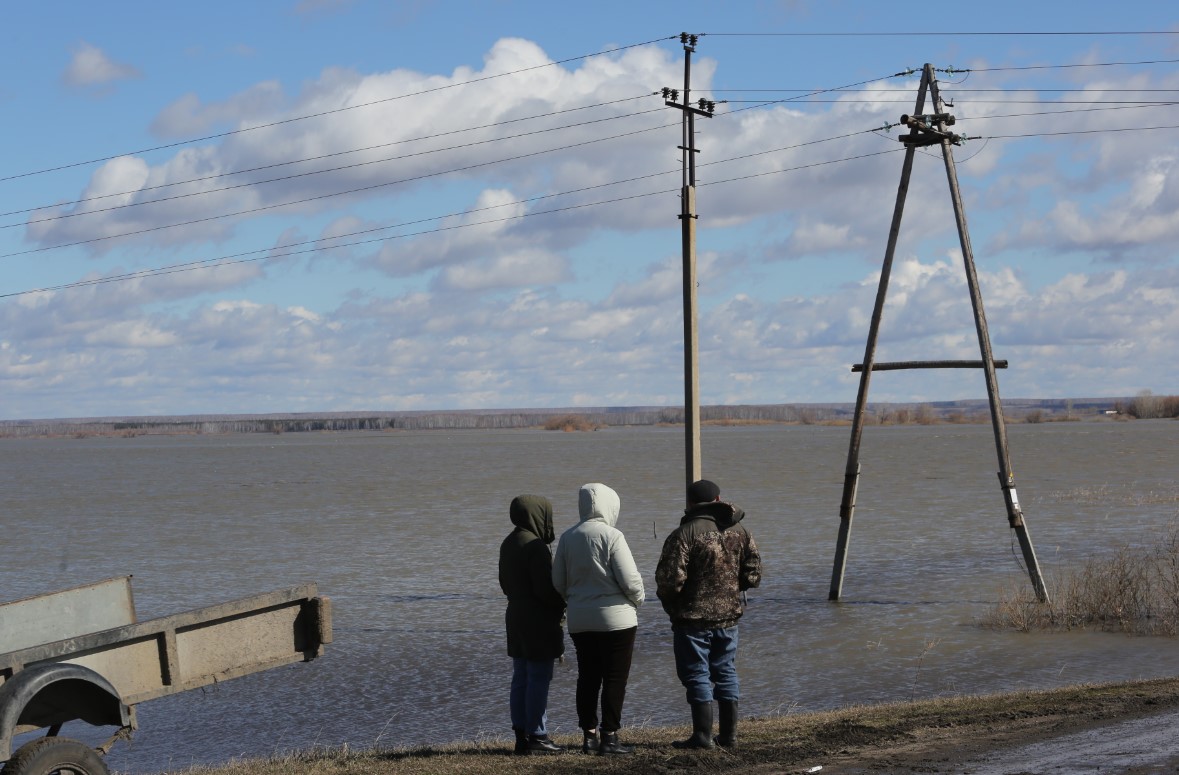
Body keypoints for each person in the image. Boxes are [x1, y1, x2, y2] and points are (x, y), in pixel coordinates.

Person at [655, 479, 762, 750]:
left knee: (696, 674)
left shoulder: (684, 534)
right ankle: (728, 737)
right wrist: (732, 587)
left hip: (692, 619)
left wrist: (673, 606)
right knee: (726, 671)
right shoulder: (741, 531)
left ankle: (702, 737)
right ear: (718, 499)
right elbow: (753, 573)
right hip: (728, 617)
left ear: (691, 503)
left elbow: (669, 582)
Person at [552, 483, 645, 755]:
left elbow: (558, 581)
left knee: (588, 676)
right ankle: (610, 736)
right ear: (610, 505)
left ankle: (588, 736)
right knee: (615, 678)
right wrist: (638, 600)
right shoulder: (613, 536)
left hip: (580, 620)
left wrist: (574, 600)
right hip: (617, 620)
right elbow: (630, 580)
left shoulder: (568, 538)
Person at [499, 494, 566, 755]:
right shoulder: (536, 546)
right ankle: (537, 735)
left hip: (515, 615)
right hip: (537, 618)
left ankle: (520, 735)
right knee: (539, 676)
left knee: (521, 676)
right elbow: (545, 591)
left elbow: (504, 583)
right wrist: (563, 601)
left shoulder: (508, 542)